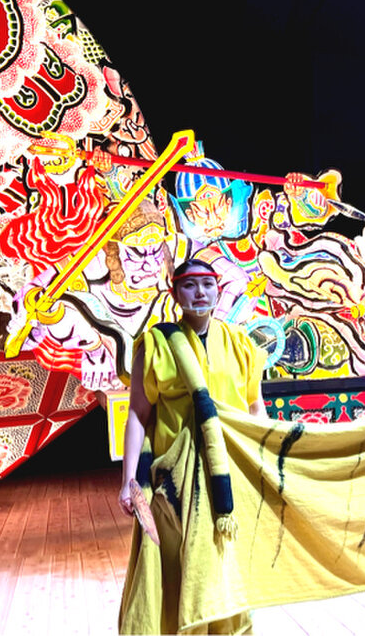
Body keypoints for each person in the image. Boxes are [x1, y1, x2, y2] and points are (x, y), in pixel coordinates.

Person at [117, 258, 267, 635]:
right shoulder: (156, 345)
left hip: (230, 473)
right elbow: (137, 414)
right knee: (178, 563)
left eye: (207, 284)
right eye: (189, 285)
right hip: (174, 479)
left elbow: (255, 407)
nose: (200, 292)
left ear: (218, 291)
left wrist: (264, 460)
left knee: (226, 562)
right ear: (174, 293)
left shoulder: (240, 344)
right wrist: (128, 481)